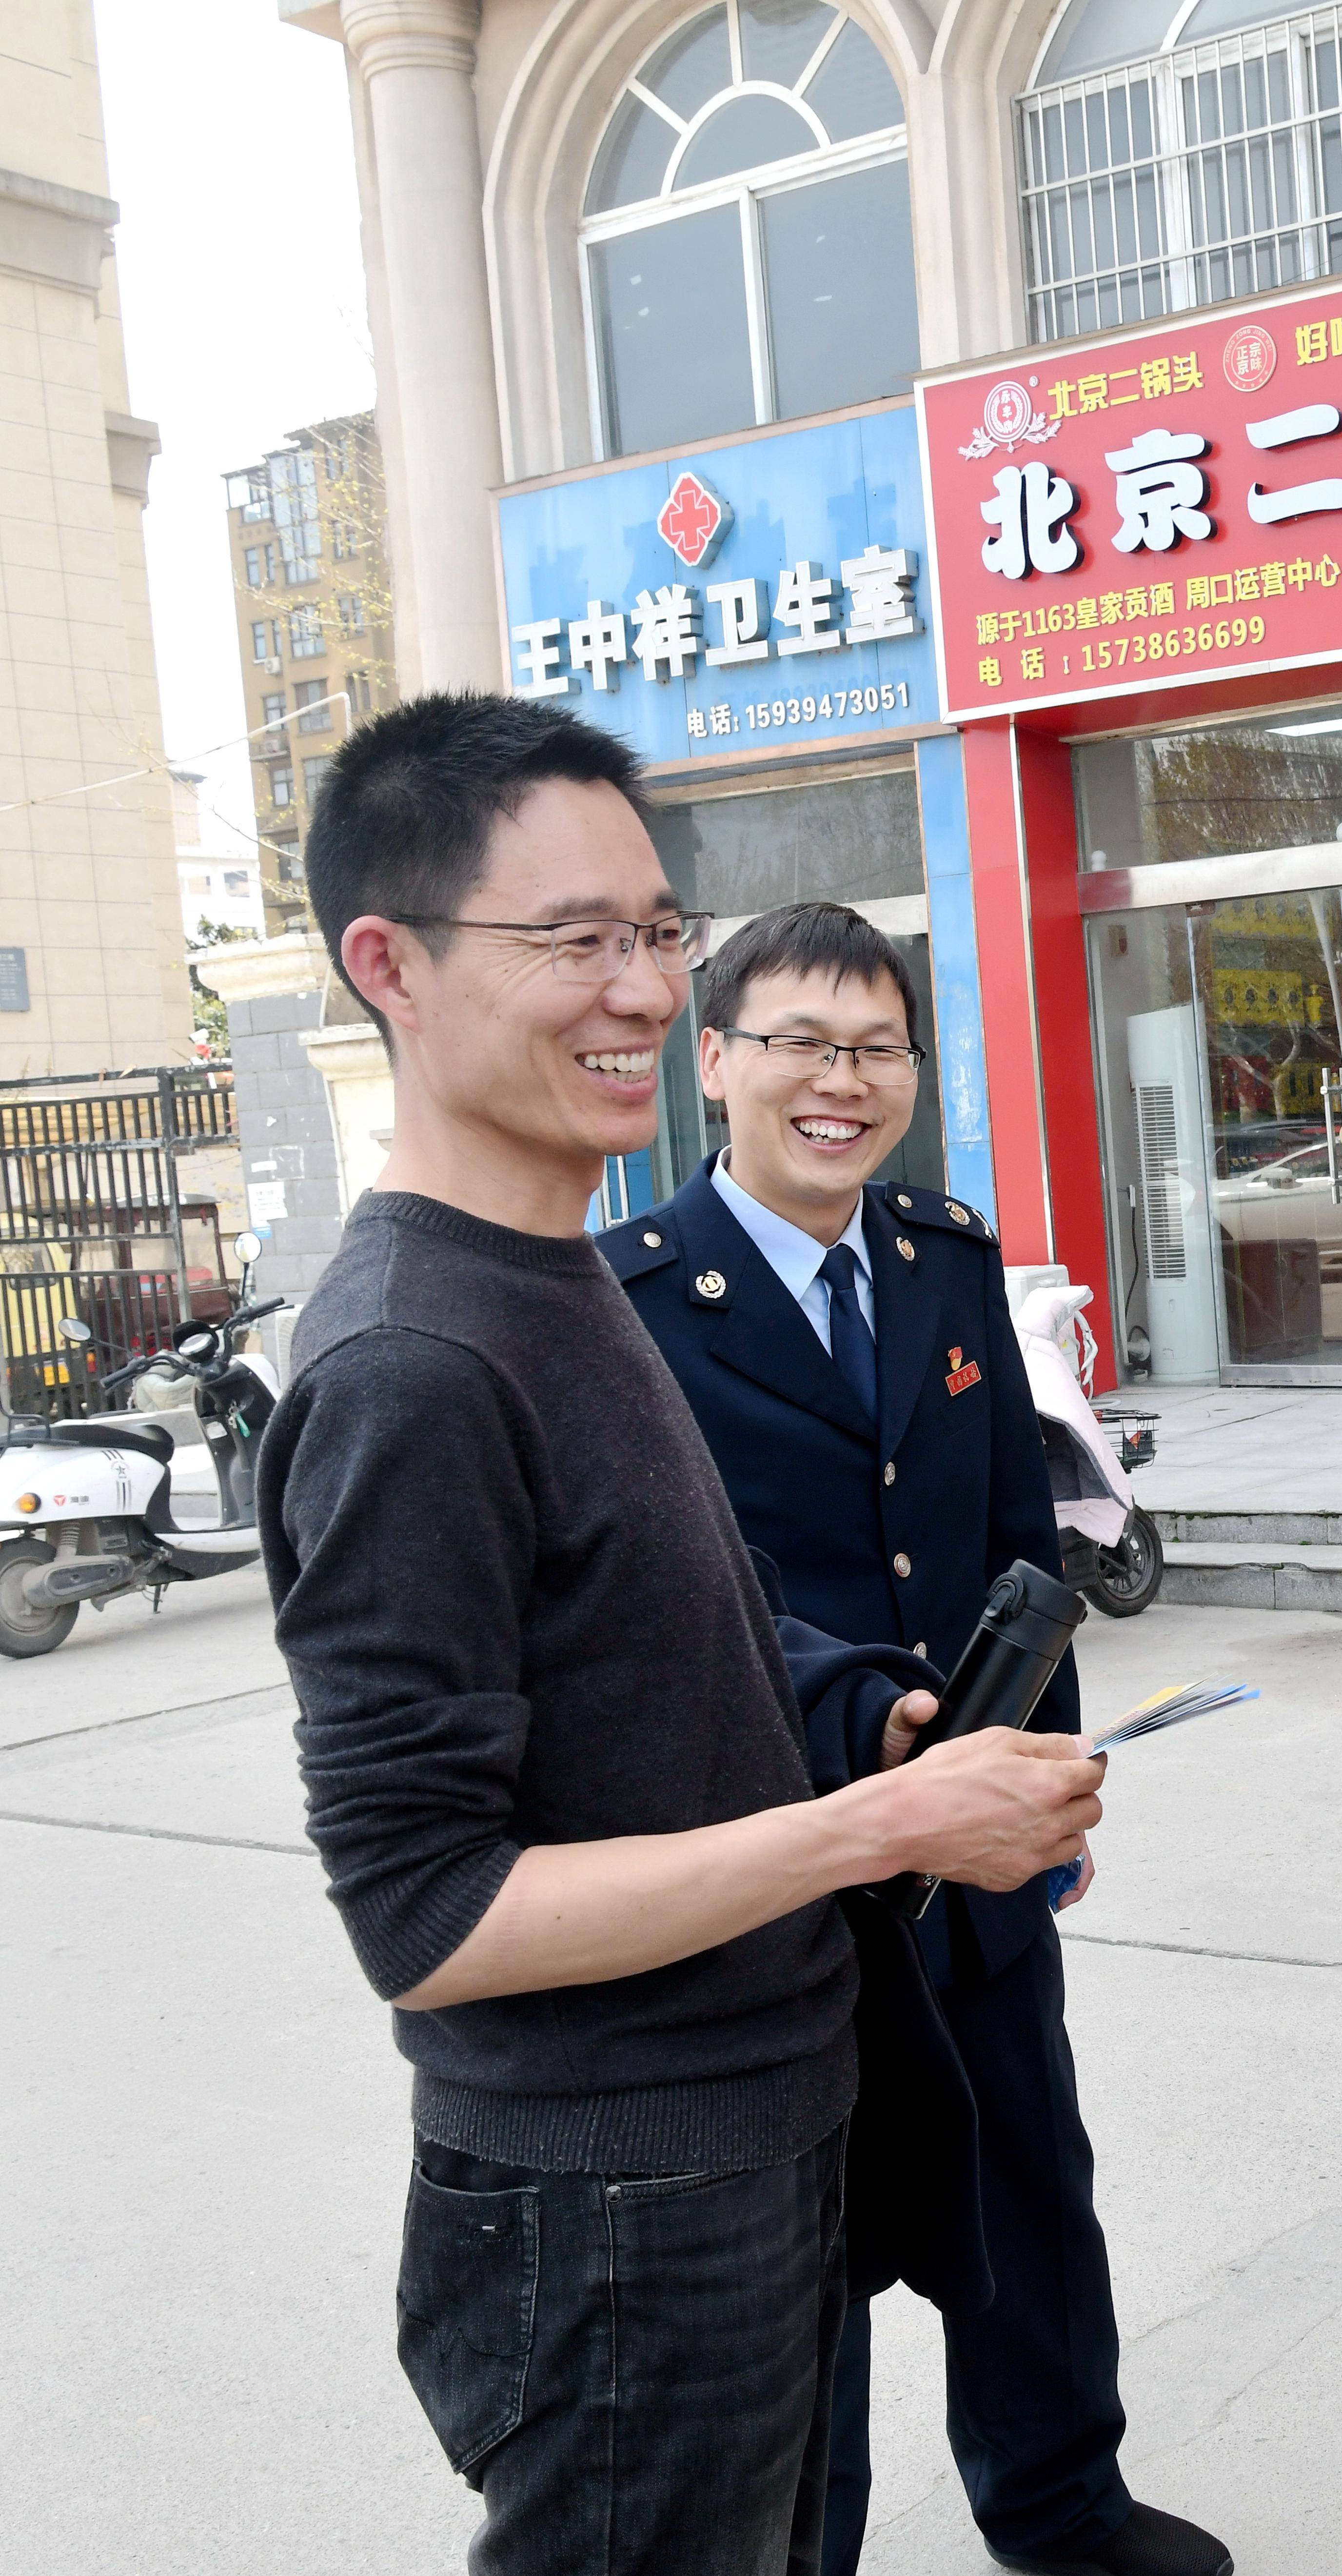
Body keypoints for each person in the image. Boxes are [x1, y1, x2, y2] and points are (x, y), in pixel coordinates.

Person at [261, 694, 1105, 2576]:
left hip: (752, 2123)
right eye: (575, 940)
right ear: (386, 965)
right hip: (617, 2198)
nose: (638, 988)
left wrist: (859, 1721)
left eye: (659, 932)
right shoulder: (414, 1359)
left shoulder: (556, 1274)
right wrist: (888, 1832)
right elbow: (435, 1919)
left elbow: (672, 1648)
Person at [603, 903, 1227, 2576]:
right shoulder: (633, 1304)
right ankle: (811, 2547)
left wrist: (1060, 1774)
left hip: (983, 1823)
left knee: (1029, 2178)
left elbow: (1017, 1528)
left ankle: (1063, 2503)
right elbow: (680, 1601)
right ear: (714, 1058)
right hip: (783, 1851)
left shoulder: (945, 1255)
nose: (844, 1079)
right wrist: (866, 1735)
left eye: (878, 1046)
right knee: (807, 2235)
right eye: (802, 1041)